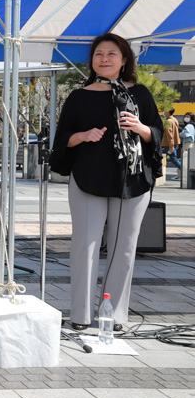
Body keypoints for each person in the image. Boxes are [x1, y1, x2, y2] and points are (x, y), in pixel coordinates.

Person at [50, 33, 162, 332]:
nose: (104, 59)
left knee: (124, 249)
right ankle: (80, 315)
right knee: (84, 246)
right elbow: (62, 141)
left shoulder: (141, 94)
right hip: (88, 179)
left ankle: (114, 316)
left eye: (112, 54)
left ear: (124, 60)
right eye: (99, 54)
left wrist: (141, 128)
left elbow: (158, 134)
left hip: (133, 181)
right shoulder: (79, 96)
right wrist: (82, 136)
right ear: (92, 61)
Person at [162, 108, 182, 180]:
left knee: (168, 157)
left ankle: (184, 169)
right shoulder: (174, 119)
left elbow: (169, 134)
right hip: (172, 144)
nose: (164, 112)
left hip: (168, 144)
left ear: (169, 112)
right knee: (173, 158)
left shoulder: (169, 121)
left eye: (166, 110)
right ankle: (184, 170)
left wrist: (171, 145)